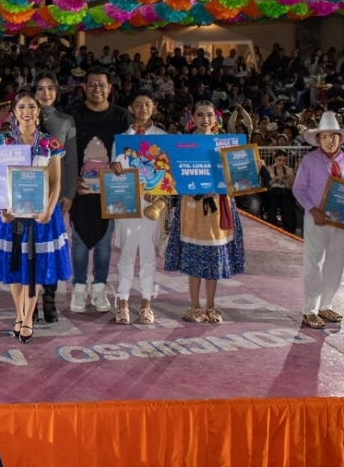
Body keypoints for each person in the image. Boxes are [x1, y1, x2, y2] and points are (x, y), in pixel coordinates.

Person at [0, 91, 71, 344]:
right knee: (14, 265)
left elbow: (55, 183)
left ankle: (28, 317)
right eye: (21, 107)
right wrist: (2, 209)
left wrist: (48, 211)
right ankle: (19, 315)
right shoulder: (2, 141)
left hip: (41, 216)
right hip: (7, 214)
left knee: (36, 268)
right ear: (14, 112)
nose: (26, 111)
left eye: (31, 107)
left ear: (38, 112)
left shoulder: (50, 143)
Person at [163, 100, 246, 324]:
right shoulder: (183, 144)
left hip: (218, 205)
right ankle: (193, 305)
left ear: (216, 118)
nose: (205, 119)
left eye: (209, 115)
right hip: (192, 205)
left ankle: (210, 305)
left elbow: (234, 175)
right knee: (194, 256)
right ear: (193, 118)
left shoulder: (225, 144)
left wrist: (220, 187)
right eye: (200, 115)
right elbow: (176, 174)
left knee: (213, 256)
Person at [67, 67, 131, 314]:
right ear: (84, 88)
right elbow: (66, 154)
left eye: (101, 84)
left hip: (110, 190)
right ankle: (79, 289)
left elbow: (129, 153)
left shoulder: (121, 116)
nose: (96, 89)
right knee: (79, 242)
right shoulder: (72, 115)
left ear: (110, 88)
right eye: (91, 84)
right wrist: (72, 182)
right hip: (82, 189)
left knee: (105, 243)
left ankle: (99, 288)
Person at [292, 112, 344, 329]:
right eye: (325, 137)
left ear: (340, 138)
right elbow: (298, 189)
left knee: (335, 263)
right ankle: (310, 309)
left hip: (340, 222)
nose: (330, 141)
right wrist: (312, 209)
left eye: (334, 137)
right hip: (316, 219)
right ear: (318, 139)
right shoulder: (309, 161)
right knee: (314, 263)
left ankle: (326, 305)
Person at [111, 90, 165, 325]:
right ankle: (122, 302)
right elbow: (114, 170)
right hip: (128, 203)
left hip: (153, 204)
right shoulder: (121, 139)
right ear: (131, 109)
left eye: (147, 104)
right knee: (127, 252)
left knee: (149, 254)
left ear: (154, 108)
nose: (143, 108)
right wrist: (114, 168)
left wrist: (160, 191)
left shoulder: (163, 137)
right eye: (138, 104)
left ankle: (146, 304)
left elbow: (168, 173)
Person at [34, 72, 76, 323]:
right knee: (30, 251)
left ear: (57, 92)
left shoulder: (65, 121)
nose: (46, 93)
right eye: (40, 89)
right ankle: (30, 302)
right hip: (25, 199)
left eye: (50, 88)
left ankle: (49, 300)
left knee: (49, 250)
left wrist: (68, 194)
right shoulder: (21, 117)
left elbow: (71, 161)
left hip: (54, 197)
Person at [262, 150, 298, 234]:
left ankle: (290, 232)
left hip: (285, 192)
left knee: (288, 207)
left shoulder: (289, 170)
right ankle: (271, 231)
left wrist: (286, 182)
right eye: (279, 160)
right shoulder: (269, 168)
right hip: (272, 192)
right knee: (271, 207)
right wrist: (276, 178)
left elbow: (291, 187)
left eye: (284, 160)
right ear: (275, 159)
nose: (282, 163)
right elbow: (266, 185)